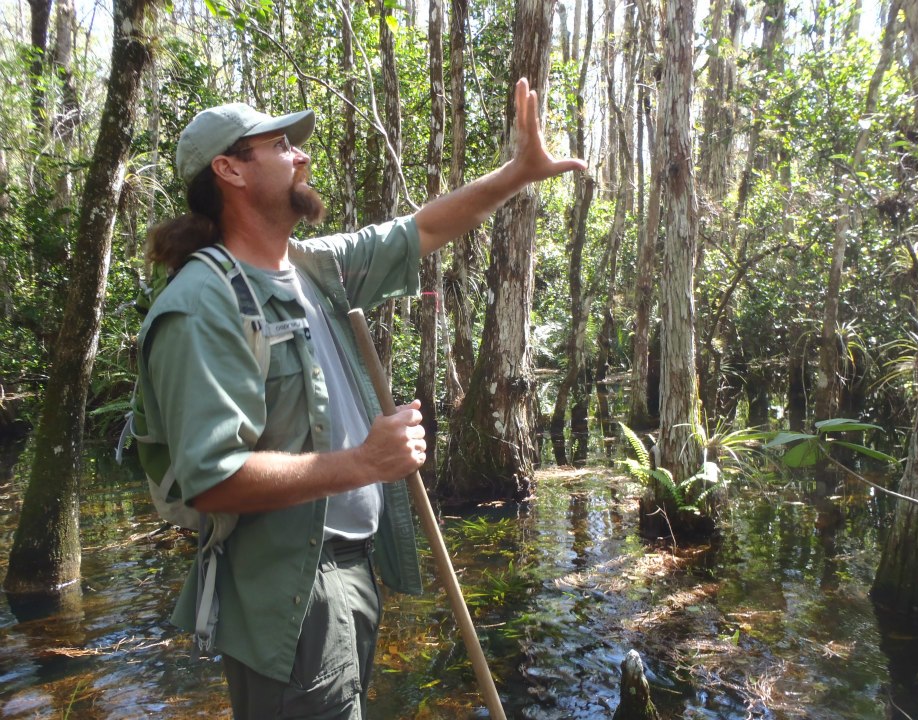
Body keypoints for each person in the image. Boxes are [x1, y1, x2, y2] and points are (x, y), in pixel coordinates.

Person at [138, 78, 586, 720]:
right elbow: (210, 480)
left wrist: (516, 173)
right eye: (280, 144)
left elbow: (421, 229)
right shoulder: (202, 303)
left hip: (347, 568)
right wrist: (364, 463)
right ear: (229, 170)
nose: (301, 155)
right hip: (290, 586)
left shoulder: (314, 268)